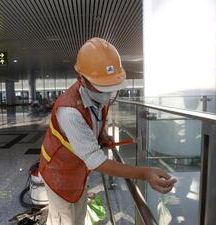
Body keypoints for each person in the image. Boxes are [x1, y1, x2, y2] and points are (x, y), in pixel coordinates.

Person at [38, 37, 176, 225]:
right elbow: (95, 161)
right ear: (81, 79)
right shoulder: (69, 111)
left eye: (113, 88)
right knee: (64, 219)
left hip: (77, 170)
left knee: (78, 214)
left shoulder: (98, 97)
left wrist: (100, 135)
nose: (109, 94)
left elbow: (94, 121)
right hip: (59, 173)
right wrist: (144, 173)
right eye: (103, 87)